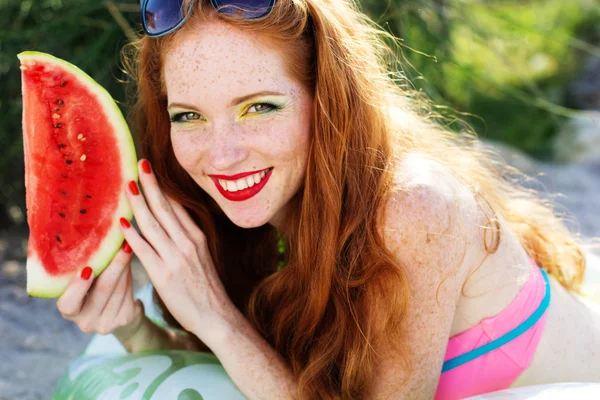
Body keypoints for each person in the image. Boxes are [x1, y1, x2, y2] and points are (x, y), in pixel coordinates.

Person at [55, 0, 600, 398]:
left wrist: (215, 315)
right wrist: (129, 324)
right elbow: (253, 369)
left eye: (259, 108)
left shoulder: (414, 208)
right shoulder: (255, 215)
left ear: (328, 100)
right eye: (189, 116)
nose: (220, 156)